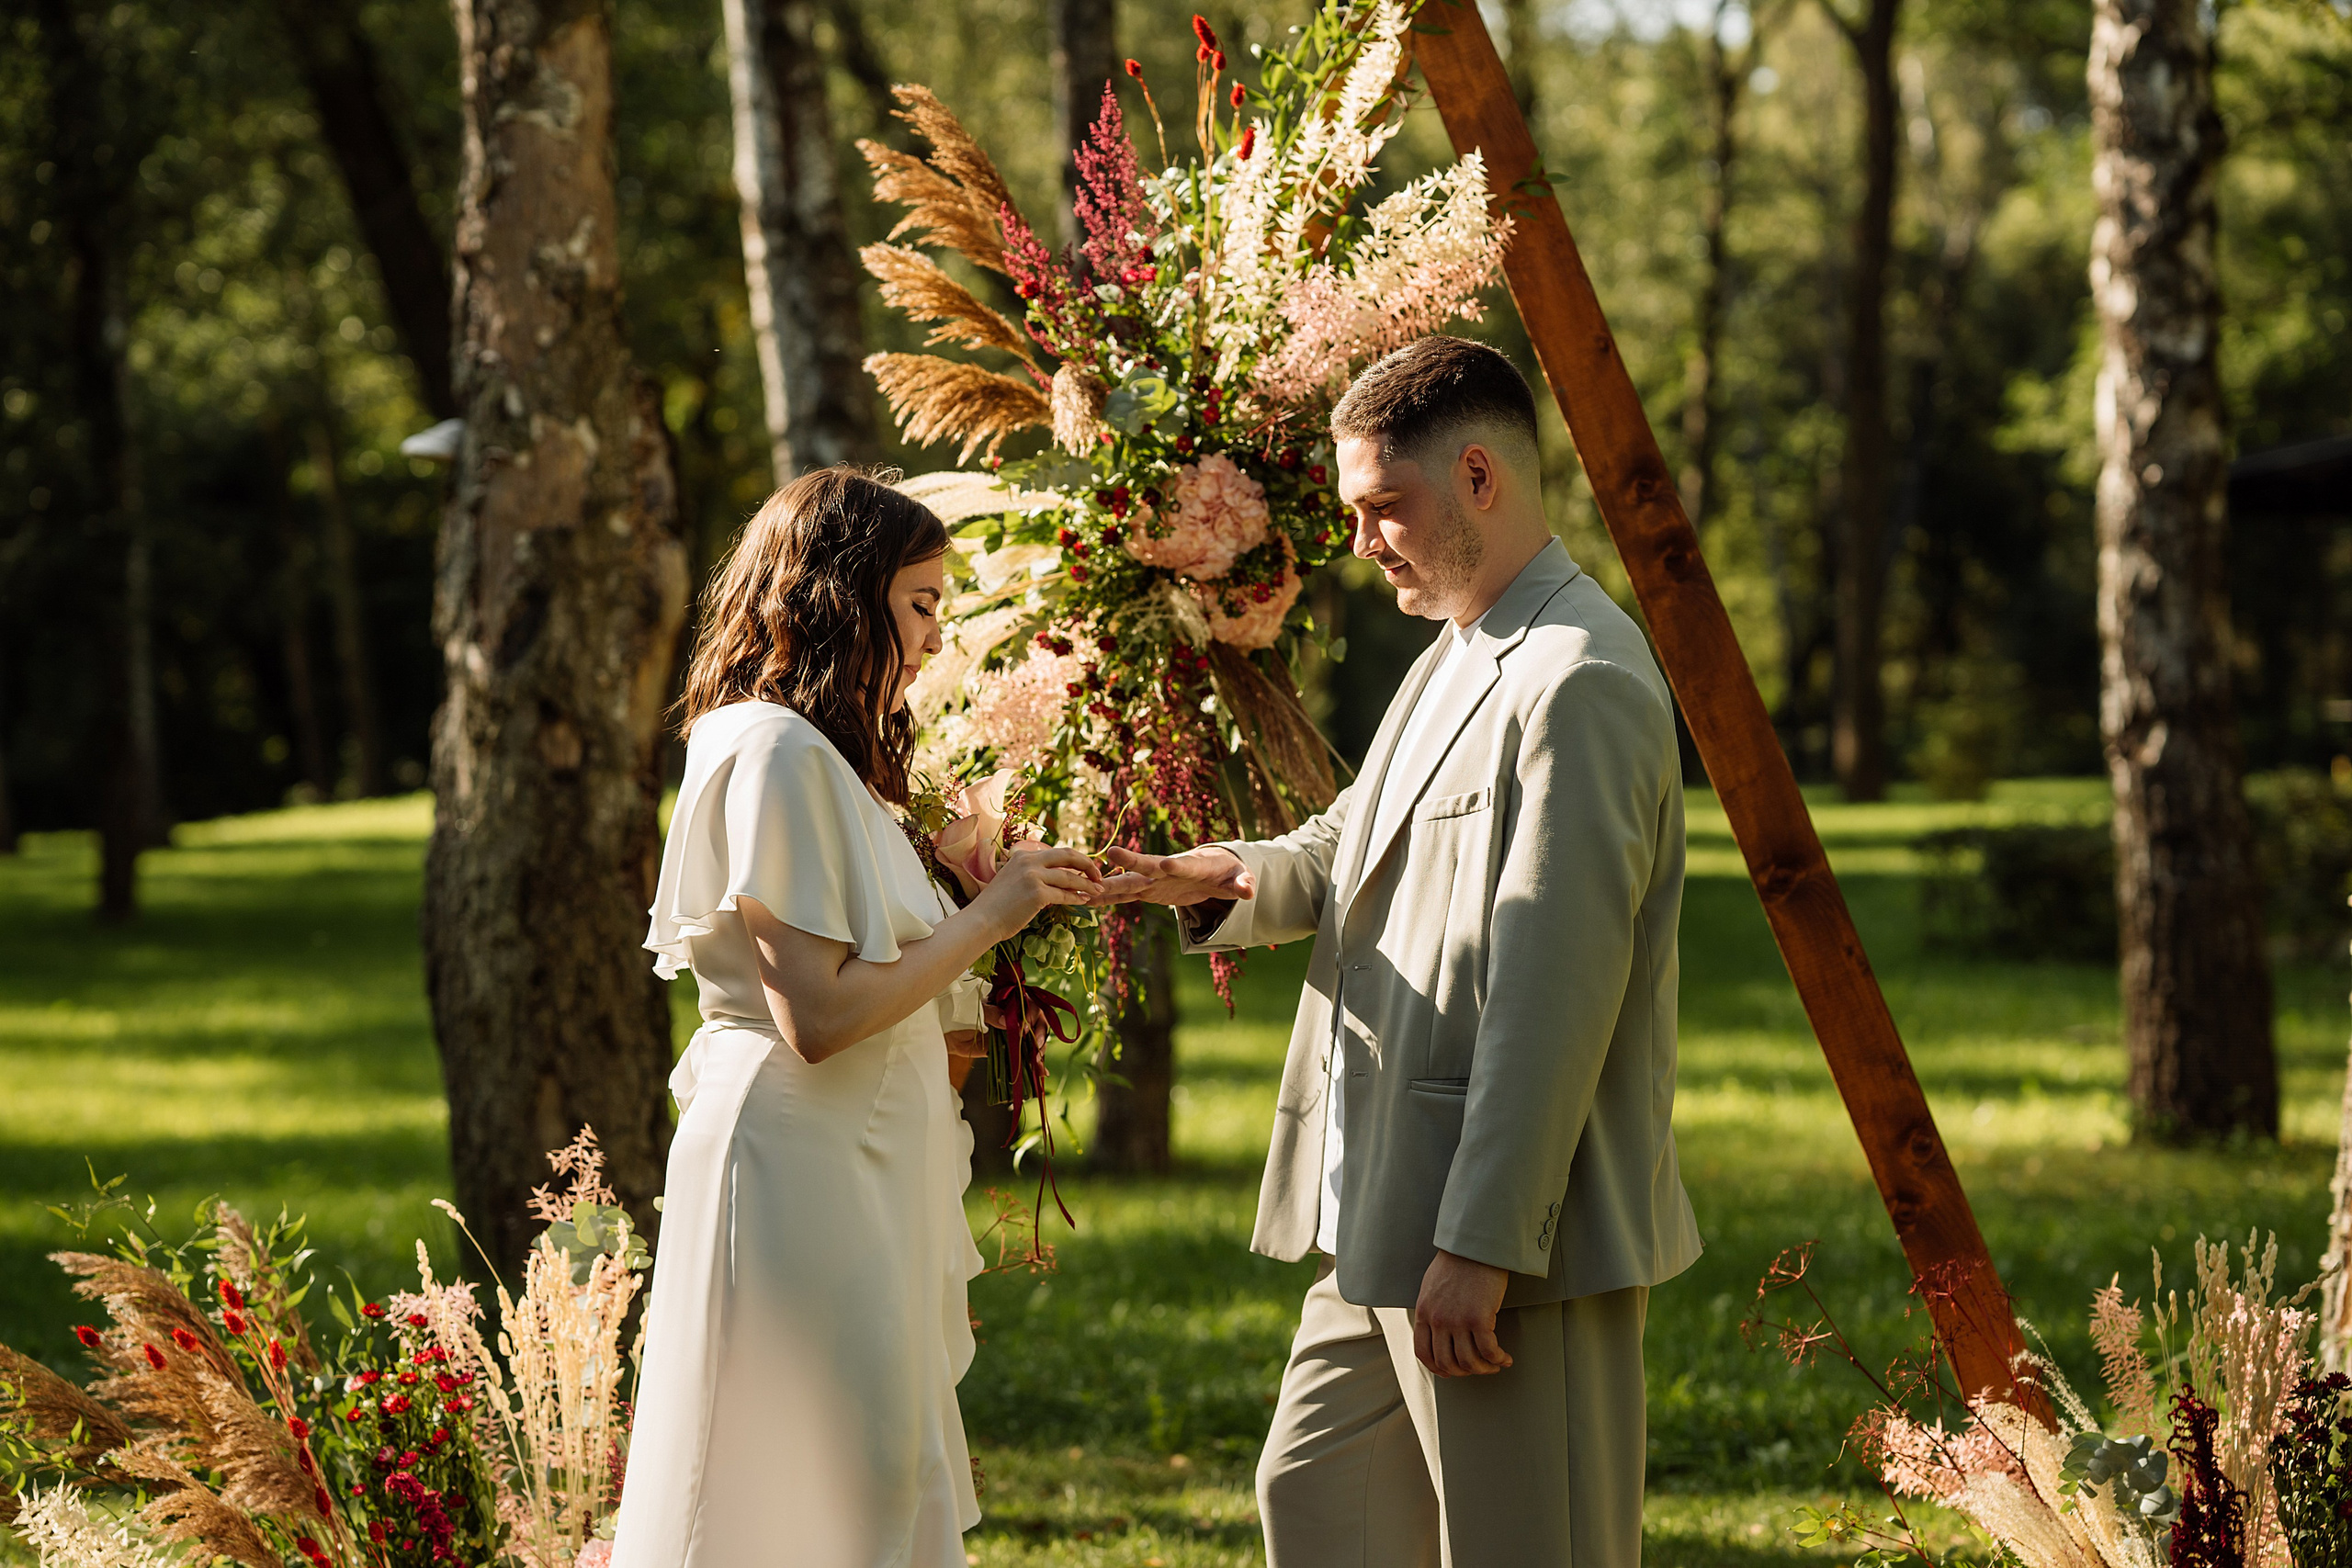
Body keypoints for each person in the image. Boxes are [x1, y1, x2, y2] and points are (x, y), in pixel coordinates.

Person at [1097, 337, 1702, 1567]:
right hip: (1377, 1206)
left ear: (1480, 475)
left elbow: (1556, 990)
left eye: (1385, 508)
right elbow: (1348, 842)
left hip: (1506, 1244)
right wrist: (1218, 874)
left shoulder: (1580, 679)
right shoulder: (1455, 650)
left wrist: (1482, 1243)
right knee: (1315, 1504)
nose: (1363, 541)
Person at [611, 468, 1101, 1568]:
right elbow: (819, 1017)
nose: (934, 638)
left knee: (866, 1477)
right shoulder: (771, 750)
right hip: (800, 1162)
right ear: (844, 596)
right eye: (920, 604)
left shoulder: (830, 761)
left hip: (858, 1155)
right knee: (794, 1487)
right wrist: (996, 913)